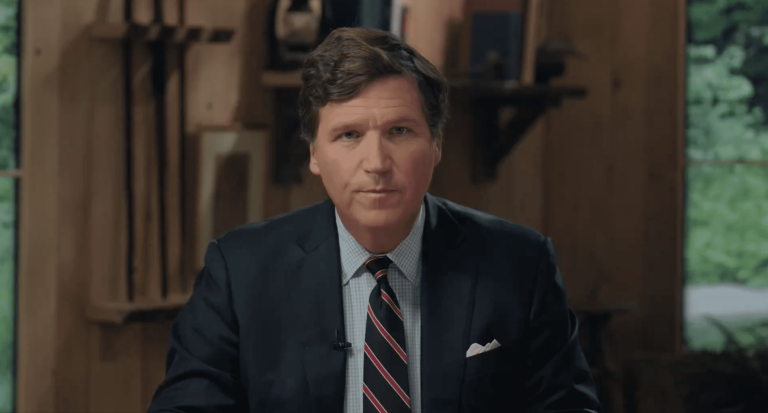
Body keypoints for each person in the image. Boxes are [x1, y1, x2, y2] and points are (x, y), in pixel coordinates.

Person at [147, 27, 601, 413]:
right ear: (315, 154)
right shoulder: (239, 272)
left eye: (399, 131)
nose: (377, 163)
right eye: (349, 135)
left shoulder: (521, 265)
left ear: (436, 145)